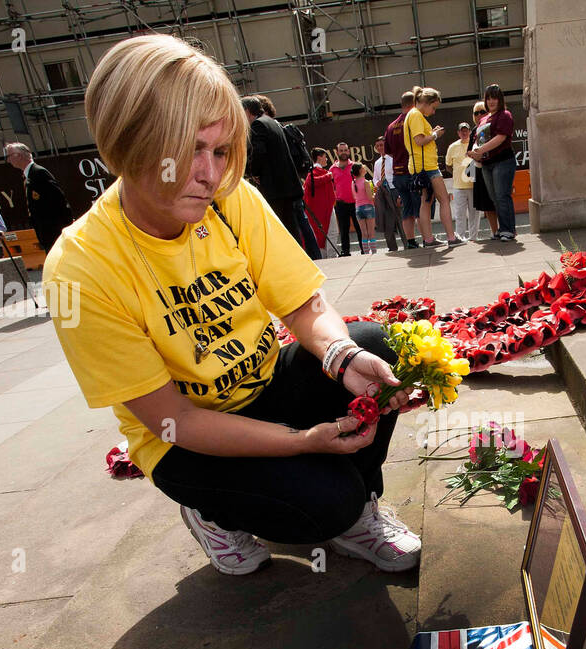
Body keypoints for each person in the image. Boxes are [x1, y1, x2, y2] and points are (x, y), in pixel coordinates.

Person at [46, 34, 421, 575]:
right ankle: (214, 513)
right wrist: (303, 442)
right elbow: (173, 419)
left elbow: (303, 304)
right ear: (126, 142)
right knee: (323, 504)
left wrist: (339, 356)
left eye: (221, 151)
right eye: (188, 150)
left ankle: (360, 510)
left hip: (265, 384)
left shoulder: (229, 197)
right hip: (185, 439)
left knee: (374, 346)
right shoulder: (80, 269)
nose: (211, 174)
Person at [242, 94, 320, 260]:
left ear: (248, 111)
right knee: (292, 229)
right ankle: (299, 262)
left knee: (280, 229)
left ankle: (290, 263)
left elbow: (259, 153)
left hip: (275, 188)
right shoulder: (273, 122)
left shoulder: (258, 125)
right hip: (288, 186)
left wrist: (253, 172)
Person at [404, 88, 463, 248]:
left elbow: (420, 139)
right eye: (433, 107)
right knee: (443, 200)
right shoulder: (416, 115)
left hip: (419, 167)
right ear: (427, 103)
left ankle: (429, 240)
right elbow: (419, 140)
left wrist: (432, 132)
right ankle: (451, 238)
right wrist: (436, 135)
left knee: (426, 202)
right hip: (427, 167)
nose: (434, 111)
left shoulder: (413, 114)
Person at [468, 84, 517, 241]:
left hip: (503, 161)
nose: (491, 101)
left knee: (502, 196)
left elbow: (501, 137)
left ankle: (508, 230)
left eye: (494, 97)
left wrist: (480, 150)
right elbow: (478, 140)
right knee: (495, 197)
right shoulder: (483, 119)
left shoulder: (505, 115)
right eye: (488, 98)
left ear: (500, 99)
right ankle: (503, 229)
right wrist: (475, 151)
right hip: (486, 163)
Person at [3, 142, 73, 251]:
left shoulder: (38, 172)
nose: (8, 160)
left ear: (19, 155)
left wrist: (67, 224)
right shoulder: (29, 175)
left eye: (9, 156)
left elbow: (58, 198)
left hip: (54, 229)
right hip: (45, 230)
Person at [384, 90, 420, 250]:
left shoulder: (391, 126)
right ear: (414, 104)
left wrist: (399, 157)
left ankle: (411, 241)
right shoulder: (412, 120)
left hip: (398, 174)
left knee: (407, 209)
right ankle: (427, 238)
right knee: (420, 208)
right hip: (412, 170)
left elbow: (388, 150)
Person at [445, 121, 479, 242]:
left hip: (473, 185)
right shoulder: (452, 147)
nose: (464, 133)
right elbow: (448, 165)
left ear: (470, 132)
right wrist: (457, 174)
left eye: (466, 130)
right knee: (460, 214)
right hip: (458, 186)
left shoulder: (475, 145)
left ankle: (473, 237)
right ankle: (460, 237)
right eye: (462, 131)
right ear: (458, 133)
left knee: (474, 214)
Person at [329, 142, 361, 256]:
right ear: (337, 152)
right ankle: (345, 251)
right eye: (341, 150)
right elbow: (331, 187)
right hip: (341, 204)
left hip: (356, 202)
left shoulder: (355, 166)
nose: (343, 152)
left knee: (359, 228)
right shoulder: (332, 169)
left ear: (349, 151)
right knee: (343, 229)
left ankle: (364, 249)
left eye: (345, 150)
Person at [303, 147, 335, 254]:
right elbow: (310, 182)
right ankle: (330, 256)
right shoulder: (315, 171)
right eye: (325, 157)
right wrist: (328, 176)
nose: (326, 159)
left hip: (326, 207)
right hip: (324, 209)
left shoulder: (318, 171)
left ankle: (327, 256)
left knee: (327, 233)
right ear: (319, 157)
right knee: (330, 232)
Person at [371, 136, 401, 252]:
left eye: (381, 145)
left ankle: (408, 243)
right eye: (377, 146)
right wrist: (376, 183)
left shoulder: (393, 159)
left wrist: (399, 195)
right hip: (383, 193)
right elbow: (374, 178)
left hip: (394, 191)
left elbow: (397, 176)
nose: (380, 147)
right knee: (386, 221)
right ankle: (392, 247)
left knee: (400, 219)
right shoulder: (377, 163)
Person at [352, 163, 377, 254]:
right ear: (360, 170)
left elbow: (355, 197)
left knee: (364, 233)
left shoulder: (353, 182)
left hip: (358, 208)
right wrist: (375, 194)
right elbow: (370, 198)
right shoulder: (366, 182)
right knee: (371, 232)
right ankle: (374, 252)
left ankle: (366, 253)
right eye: (363, 168)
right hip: (368, 207)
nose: (365, 169)